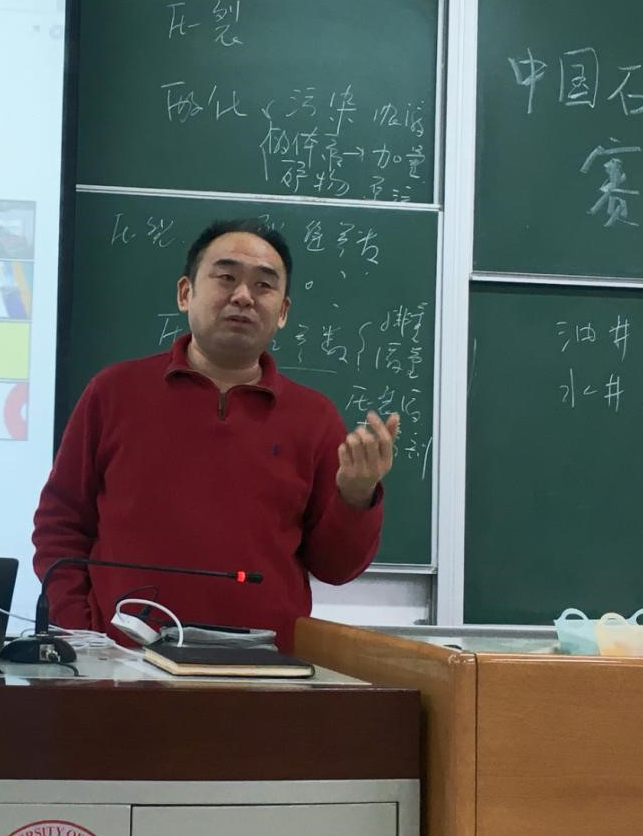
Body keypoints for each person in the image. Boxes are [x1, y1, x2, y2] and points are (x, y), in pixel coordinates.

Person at [32, 219, 399, 652]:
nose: (243, 296)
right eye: (226, 277)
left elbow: (336, 568)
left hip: (262, 669)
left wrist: (356, 497)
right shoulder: (114, 392)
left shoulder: (314, 417)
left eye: (264, 285)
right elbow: (60, 527)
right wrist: (84, 630)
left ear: (283, 312)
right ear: (185, 292)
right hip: (122, 663)